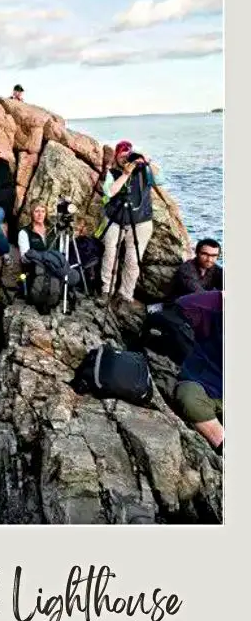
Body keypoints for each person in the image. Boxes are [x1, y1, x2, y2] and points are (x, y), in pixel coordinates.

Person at [97, 139, 162, 307]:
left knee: (133, 260)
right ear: (116, 156)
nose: (125, 159)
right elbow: (110, 192)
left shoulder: (144, 171)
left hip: (141, 221)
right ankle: (106, 290)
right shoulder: (113, 173)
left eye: (128, 155)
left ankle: (126, 294)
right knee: (110, 255)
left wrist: (147, 161)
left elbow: (159, 177)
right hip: (116, 219)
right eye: (121, 156)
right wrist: (125, 174)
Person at [174, 290, 223, 455]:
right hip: (204, 381)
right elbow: (184, 304)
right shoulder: (215, 313)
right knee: (188, 398)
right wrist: (222, 297)